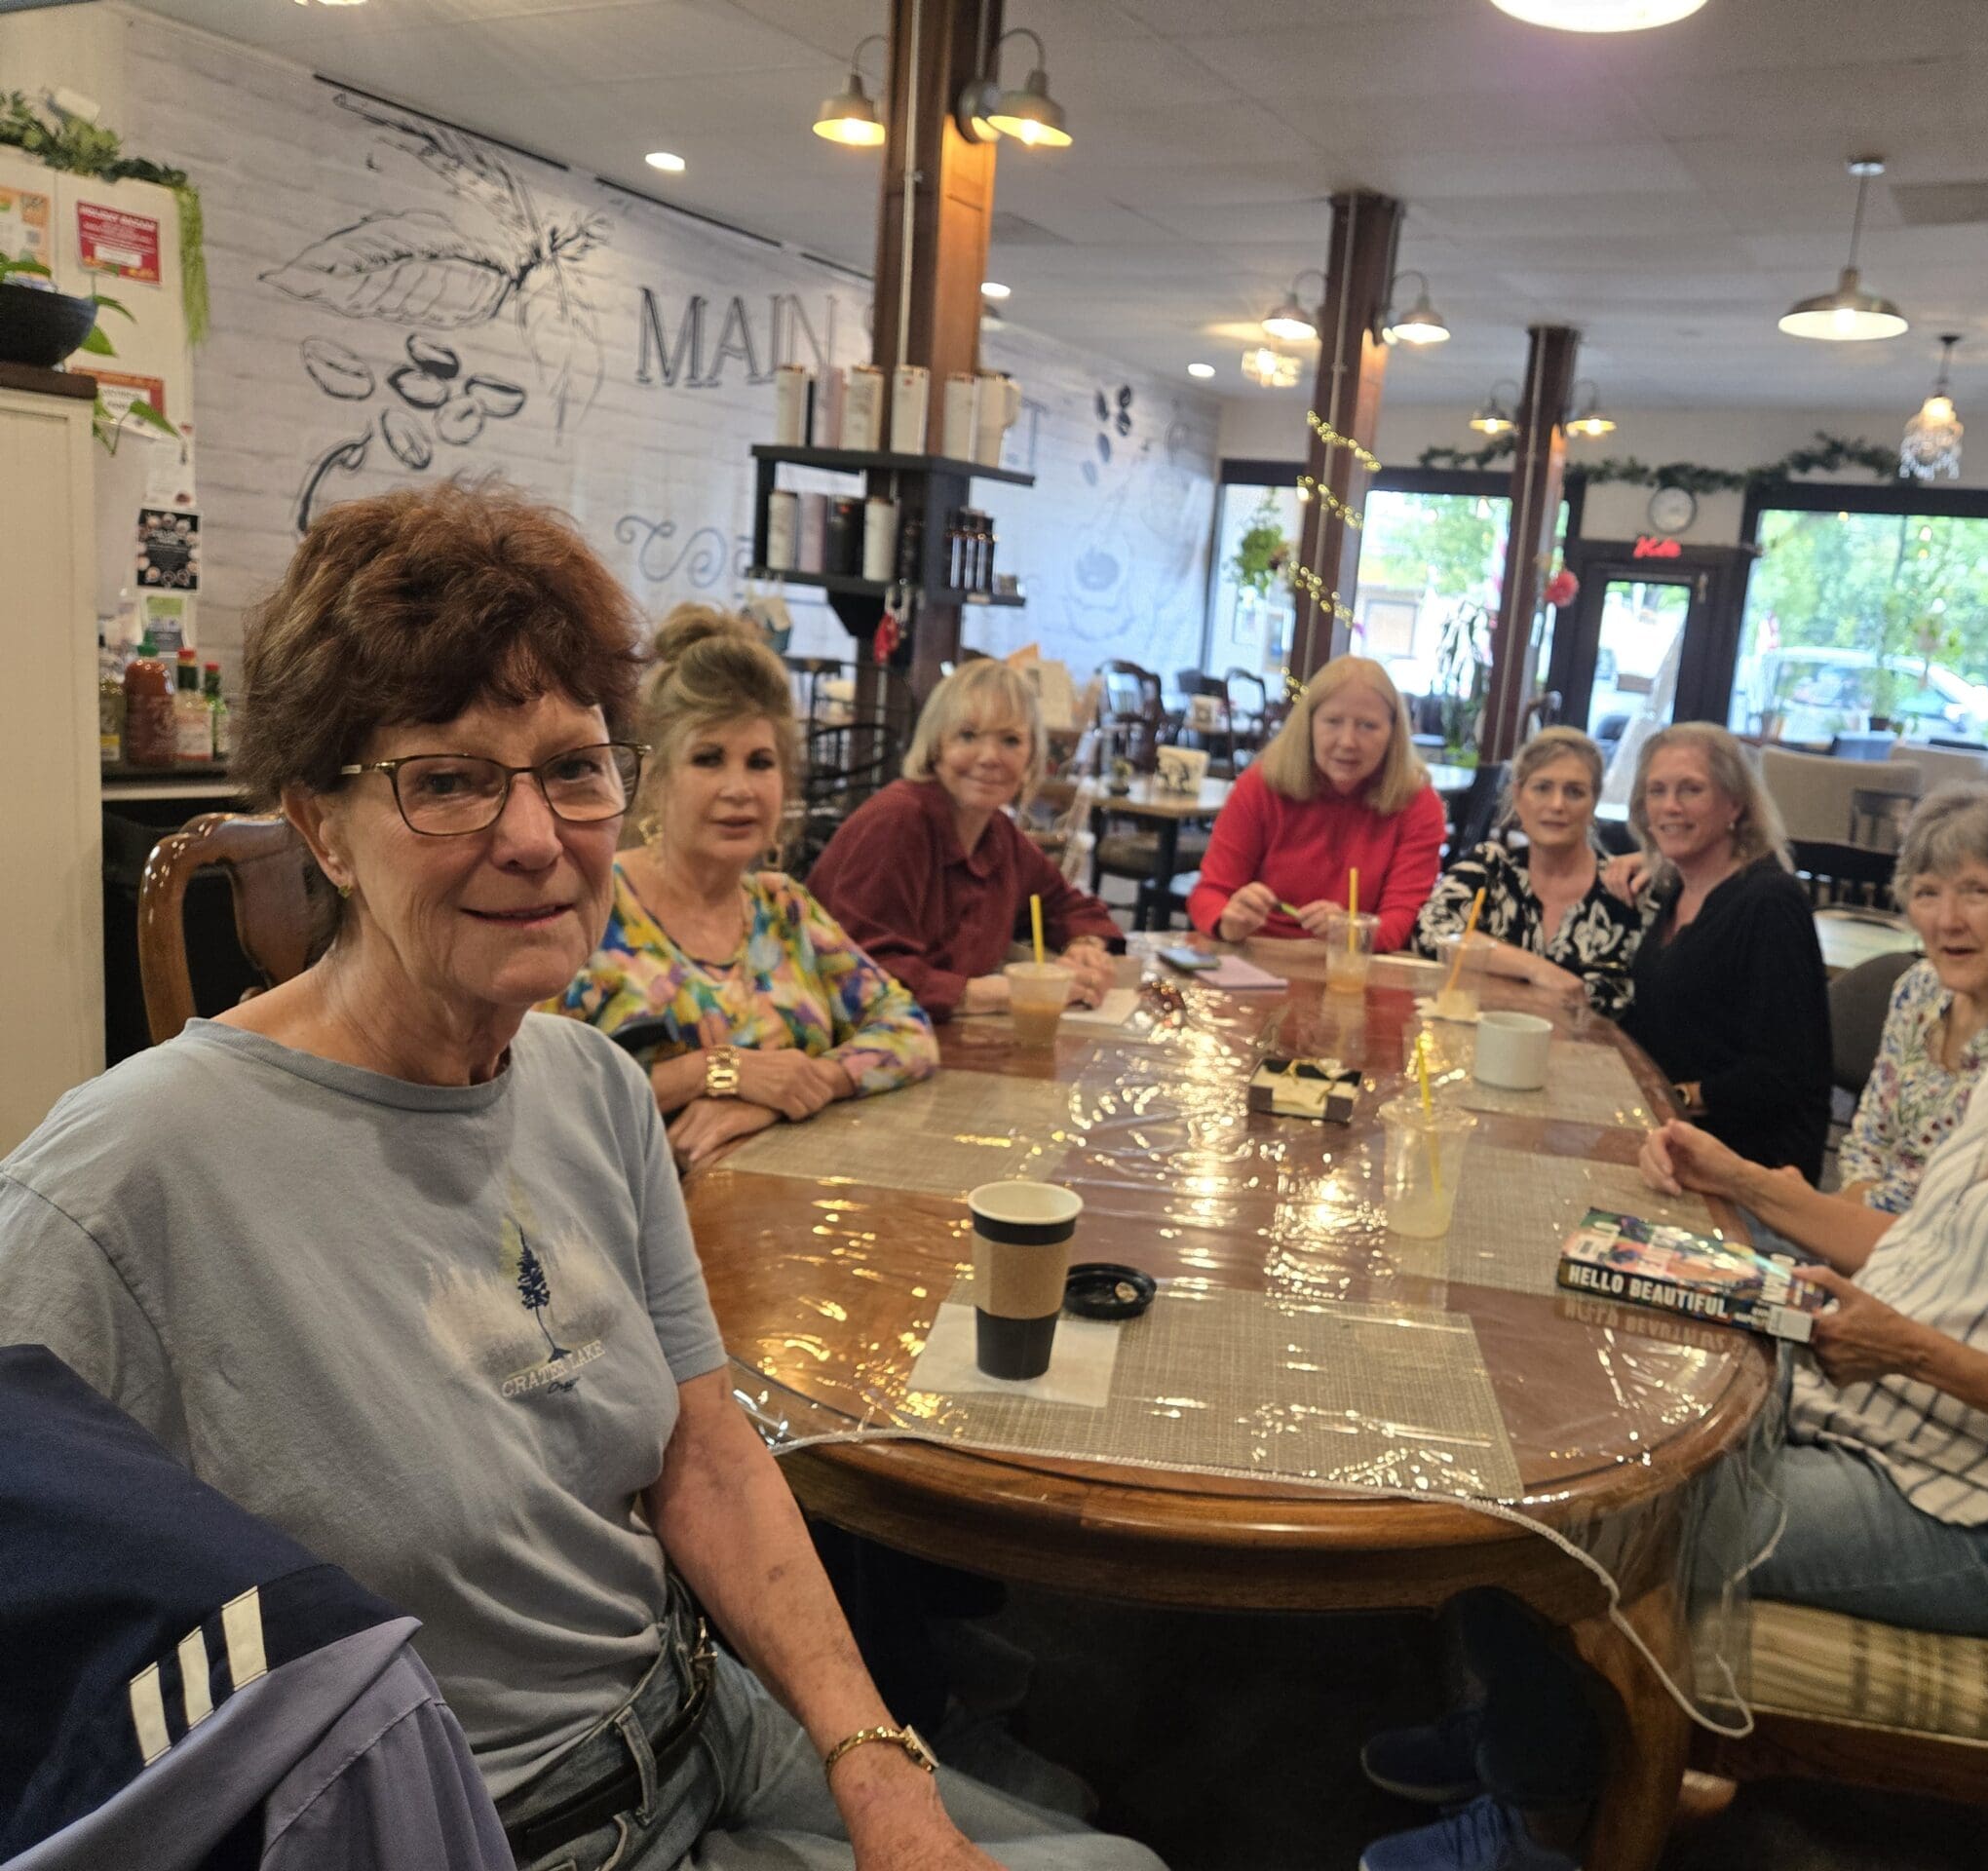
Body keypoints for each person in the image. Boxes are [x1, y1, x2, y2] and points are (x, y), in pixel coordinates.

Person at [0, 482, 1161, 1871]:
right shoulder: (126, 1179)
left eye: (573, 767)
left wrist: (875, 1761)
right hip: (506, 1826)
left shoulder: (593, 1084)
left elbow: (705, 1453)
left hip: (704, 1715)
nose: (536, 837)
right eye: (447, 780)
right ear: (321, 829)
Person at [1358, 765, 1988, 1871]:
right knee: (1529, 1372)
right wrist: (1741, 1179)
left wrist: (1916, 1351)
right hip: (1857, 1418)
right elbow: (1921, 1243)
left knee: (1553, 1509)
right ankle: (1523, 1732)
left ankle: (1538, 1817)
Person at [555, 606, 937, 1173]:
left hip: (790, 1204)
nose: (740, 789)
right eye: (708, 759)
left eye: (760, 762)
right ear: (655, 780)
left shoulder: (784, 907)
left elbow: (910, 1029)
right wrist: (716, 1072)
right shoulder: (589, 907)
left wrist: (801, 1087)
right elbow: (537, 1097)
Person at [1639, 783, 1988, 1268]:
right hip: (1848, 1240)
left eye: (1977, 892)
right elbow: (1866, 1145)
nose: (1947, 920)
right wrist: (1831, 1217)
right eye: (1927, 892)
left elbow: (1963, 1226)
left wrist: (1783, 1199)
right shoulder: (1919, 991)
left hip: (1941, 1276)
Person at [809, 660, 1120, 1021]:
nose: (989, 758)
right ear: (935, 746)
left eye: (1010, 740)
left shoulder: (998, 833)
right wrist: (1008, 992)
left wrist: (1085, 946)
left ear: (1032, 757)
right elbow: (866, 974)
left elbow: (1069, 906)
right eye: (968, 736)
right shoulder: (899, 821)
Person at [1613, 723, 1831, 1180]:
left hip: (1747, 1168)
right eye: (1657, 791)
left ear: (1735, 804)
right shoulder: (1678, 889)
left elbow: (1783, 1073)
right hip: (1671, 1139)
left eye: (1691, 789)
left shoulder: (1770, 903)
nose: (1670, 806)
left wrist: (1675, 1098)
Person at [1187, 655, 1447, 950]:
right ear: (1308, 725)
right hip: (1255, 949)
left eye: (1368, 726)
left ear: (1393, 735)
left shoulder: (1417, 804)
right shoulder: (1259, 786)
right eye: (1332, 722)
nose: (1347, 741)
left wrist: (1351, 929)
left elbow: (1399, 923)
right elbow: (1210, 894)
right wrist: (1228, 920)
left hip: (1353, 961)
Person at [1413, 727, 1651, 1019]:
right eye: (1542, 788)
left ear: (1594, 803)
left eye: (1575, 792)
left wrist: (1661, 863)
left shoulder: (1625, 885)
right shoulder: (1490, 867)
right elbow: (1431, 932)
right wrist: (1537, 969)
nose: (1557, 804)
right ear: (1518, 796)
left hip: (1590, 1047)